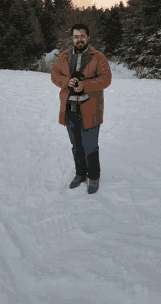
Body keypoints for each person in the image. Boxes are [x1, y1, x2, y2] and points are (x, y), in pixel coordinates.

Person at [51, 23, 112, 194]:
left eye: (82, 36)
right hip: (70, 108)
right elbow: (54, 75)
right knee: (76, 145)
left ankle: (93, 177)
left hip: (90, 108)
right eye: (76, 36)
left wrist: (84, 85)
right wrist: (66, 82)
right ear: (72, 38)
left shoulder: (98, 57)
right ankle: (80, 174)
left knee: (90, 145)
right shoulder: (63, 57)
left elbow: (106, 79)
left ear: (88, 37)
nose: (79, 39)